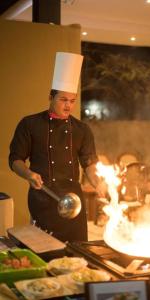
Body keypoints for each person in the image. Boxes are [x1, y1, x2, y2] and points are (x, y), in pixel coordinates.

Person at [9, 52, 105, 242]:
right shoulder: (30, 124)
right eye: (63, 100)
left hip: (73, 201)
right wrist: (28, 174)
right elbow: (15, 160)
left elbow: (89, 163)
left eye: (72, 100)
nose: (68, 105)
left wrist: (97, 181)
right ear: (50, 97)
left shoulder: (82, 129)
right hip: (43, 198)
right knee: (45, 249)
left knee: (77, 252)